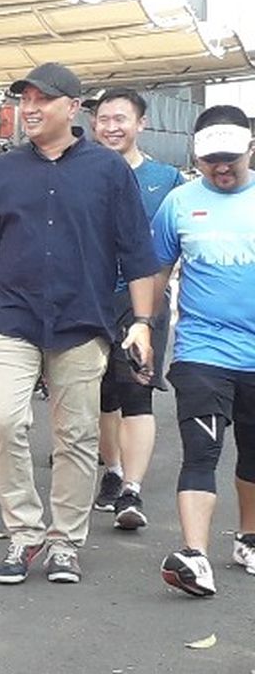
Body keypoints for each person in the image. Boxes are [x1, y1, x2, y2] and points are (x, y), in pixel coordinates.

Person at [0, 62, 158, 586]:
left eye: (42, 99)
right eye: (24, 100)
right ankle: (24, 534)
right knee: (1, 421)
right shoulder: (1, 172)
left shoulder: (109, 172)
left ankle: (65, 541)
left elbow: (137, 252)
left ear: (73, 107)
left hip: (83, 321)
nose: (30, 109)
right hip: (13, 318)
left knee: (76, 435)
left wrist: (142, 323)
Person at [153, 105, 255, 597]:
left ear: (250, 150)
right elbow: (155, 270)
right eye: (211, 158)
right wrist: (139, 326)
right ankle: (194, 555)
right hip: (201, 350)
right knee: (201, 452)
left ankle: (248, 538)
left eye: (230, 158)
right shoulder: (178, 202)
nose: (220, 167)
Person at [91, 89, 185, 529]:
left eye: (121, 119)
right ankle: (110, 472)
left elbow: (177, 245)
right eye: (104, 119)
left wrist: (149, 309)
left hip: (142, 303)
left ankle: (132, 490)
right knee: (100, 395)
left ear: (141, 123)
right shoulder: (80, 172)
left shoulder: (166, 180)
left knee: (136, 390)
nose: (112, 127)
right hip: (89, 300)